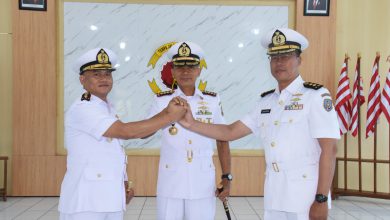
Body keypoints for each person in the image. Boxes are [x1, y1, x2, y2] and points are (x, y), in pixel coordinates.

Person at [179, 29, 340, 220]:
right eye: (274, 57)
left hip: (305, 195)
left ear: (299, 60)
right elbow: (230, 131)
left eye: (286, 56)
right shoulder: (266, 101)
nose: (279, 62)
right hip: (274, 192)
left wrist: (321, 198)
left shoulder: (315, 96)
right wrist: (190, 123)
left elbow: (329, 150)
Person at [58, 48, 187, 220]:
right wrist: (170, 116)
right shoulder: (83, 108)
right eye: (96, 74)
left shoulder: (106, 107)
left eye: (107, 74)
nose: (104, 78)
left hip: (110, 198)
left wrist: (122, 183)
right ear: (82, 79)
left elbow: (113, 150)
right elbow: (126, 132)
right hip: (85, 202)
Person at [145, 42, 232, 220]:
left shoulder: (212, 100)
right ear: (173, 71)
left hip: (202, 181)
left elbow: (222, 138)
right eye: (180, 67)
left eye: (191, 66)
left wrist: (226, 176)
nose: (186, 71)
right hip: (171, 182)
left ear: (199, 70)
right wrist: (166, 114)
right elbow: (145, 132)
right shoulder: (161, 100)